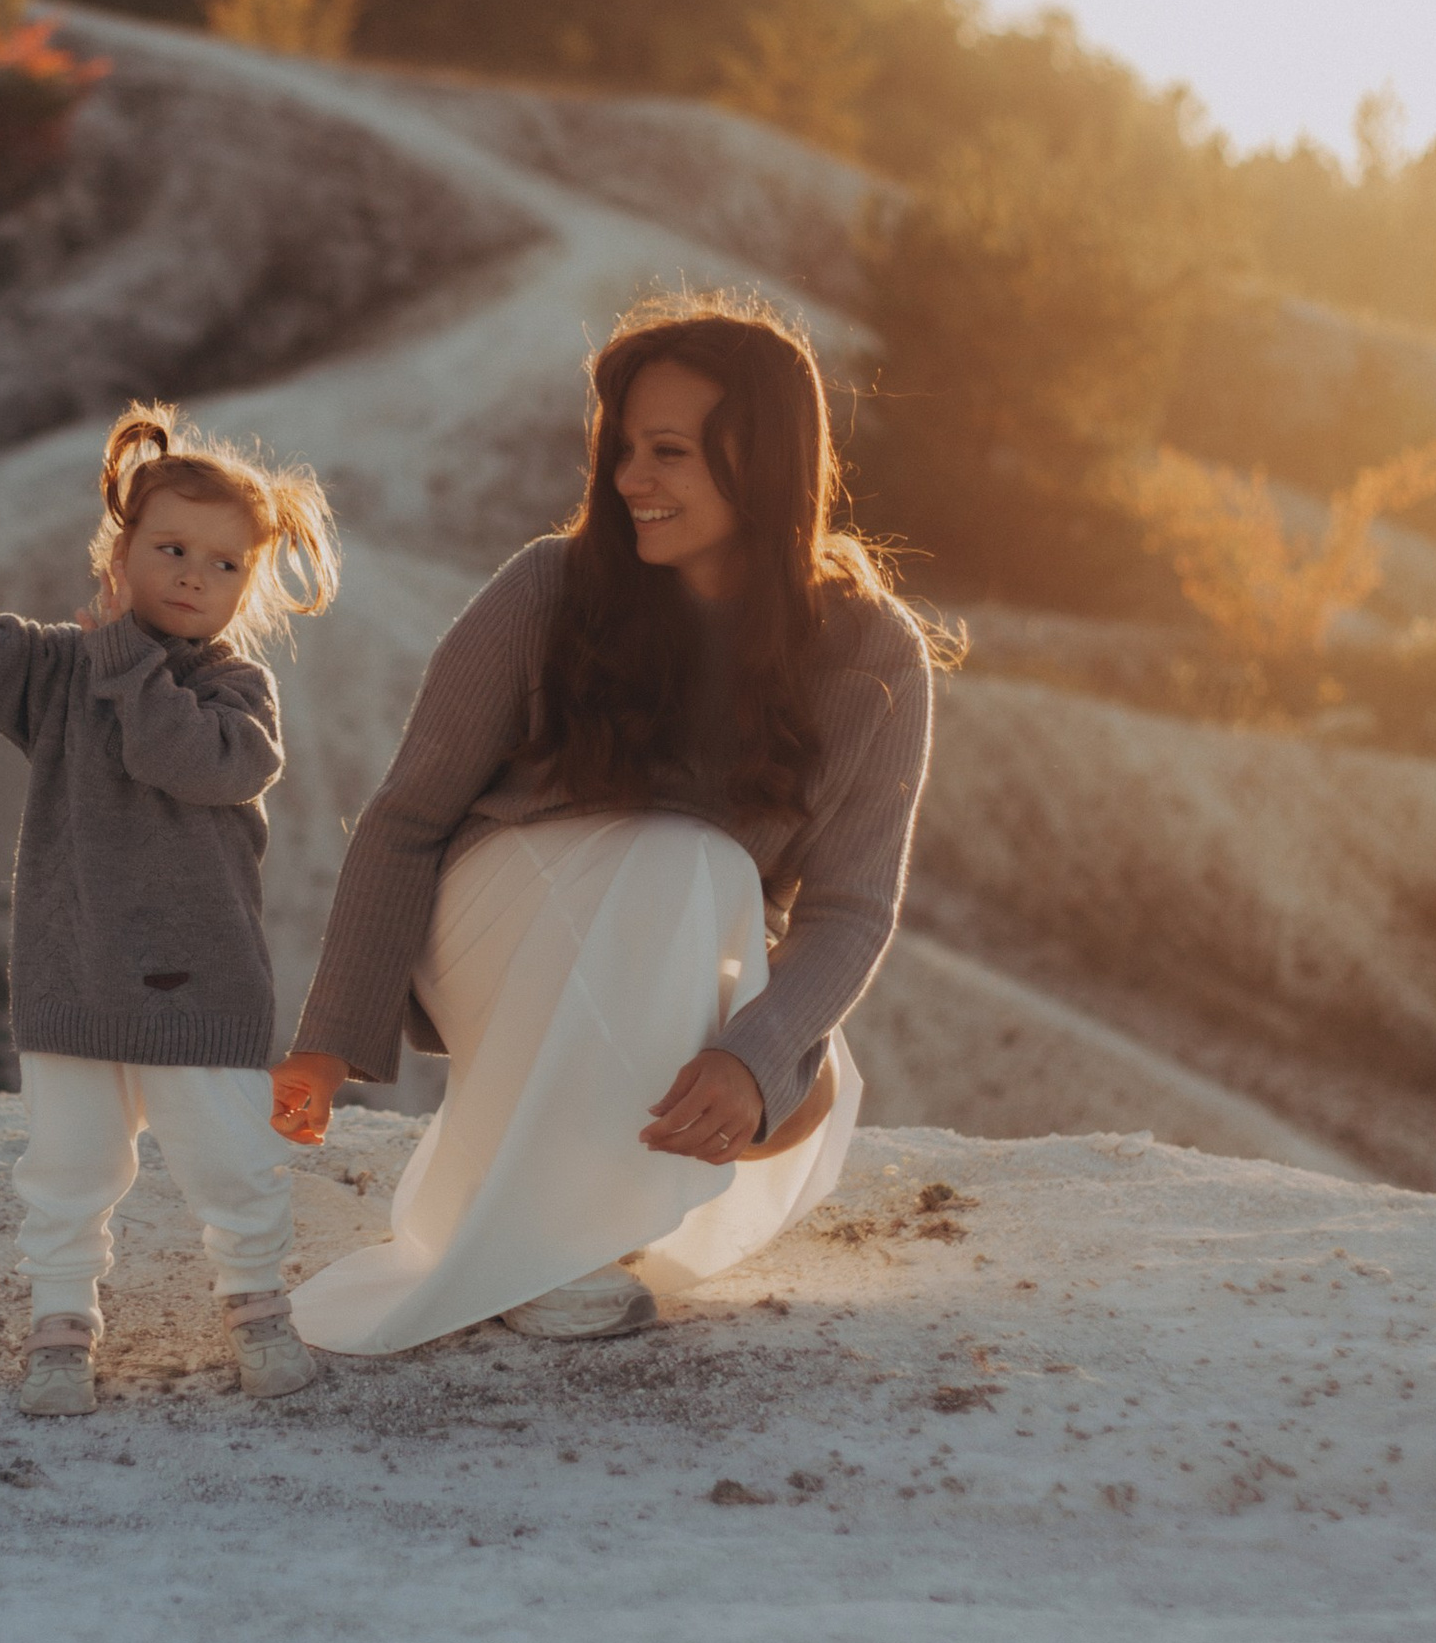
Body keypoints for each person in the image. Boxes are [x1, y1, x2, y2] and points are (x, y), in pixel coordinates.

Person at [270, 298, 940, 1352]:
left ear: (761, 462)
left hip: (679, 936)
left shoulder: (869, 654)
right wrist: (328, 1040)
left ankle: (581, 1218)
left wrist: (754, 1056)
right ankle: (550, 1245)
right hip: (495, 922)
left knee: (794, 1075)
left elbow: (852, 908)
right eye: (623, 448)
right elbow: (406, 818)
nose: (631, 480)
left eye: (667, 451)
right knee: (684, 855)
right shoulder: (546, 588)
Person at [0, 403, 340, 1415]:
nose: (194, 575)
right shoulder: (56, 667)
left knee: (231, 1161)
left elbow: (178, 757)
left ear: (251, 584)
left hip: (199, 979)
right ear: (120, 552)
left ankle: (257, 1306)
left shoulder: (238, 693)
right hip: (73, 968)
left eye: (225, 565)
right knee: (66, 1165)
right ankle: (61, 1324)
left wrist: (127, 661)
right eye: (171, 548)